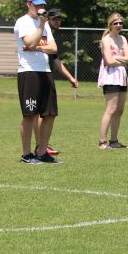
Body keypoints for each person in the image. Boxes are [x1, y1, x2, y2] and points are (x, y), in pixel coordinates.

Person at [14, 0, 60, 163]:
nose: (40, 8)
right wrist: (41, 25)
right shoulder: (23, 22)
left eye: (42, 5)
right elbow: (29, 42)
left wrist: (38, 47)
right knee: (30, 114)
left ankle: (42, 152)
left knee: (50, 114)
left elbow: (53, 48)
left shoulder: (46, 24)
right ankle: (26, 154)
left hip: (45, 71)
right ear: (29, 4)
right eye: (37, 4)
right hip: (29, 71)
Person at [42, 8, 77, 156]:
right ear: (47, 20)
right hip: (40, 75)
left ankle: (43, 145)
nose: (58, 21)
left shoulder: (50, 36)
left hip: (47, 75)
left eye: (59, 19)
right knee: (42, 113)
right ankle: (41, 146)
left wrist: (70, 77)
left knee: (47, 113)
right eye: (54, 19)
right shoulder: (43, 33)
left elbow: (55, 60)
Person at [97, 11, 128, 148]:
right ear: (110, 25)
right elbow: (109, 61)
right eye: (115, 23)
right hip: (110, 77)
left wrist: (116, 57)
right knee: (111, 109)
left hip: (122, 77)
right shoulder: (106, 40)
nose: (118, 25)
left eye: (120, 23)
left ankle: (114, 141)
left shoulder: (123, 39)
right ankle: (102, 141)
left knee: (119, 110)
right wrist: (120, 60)